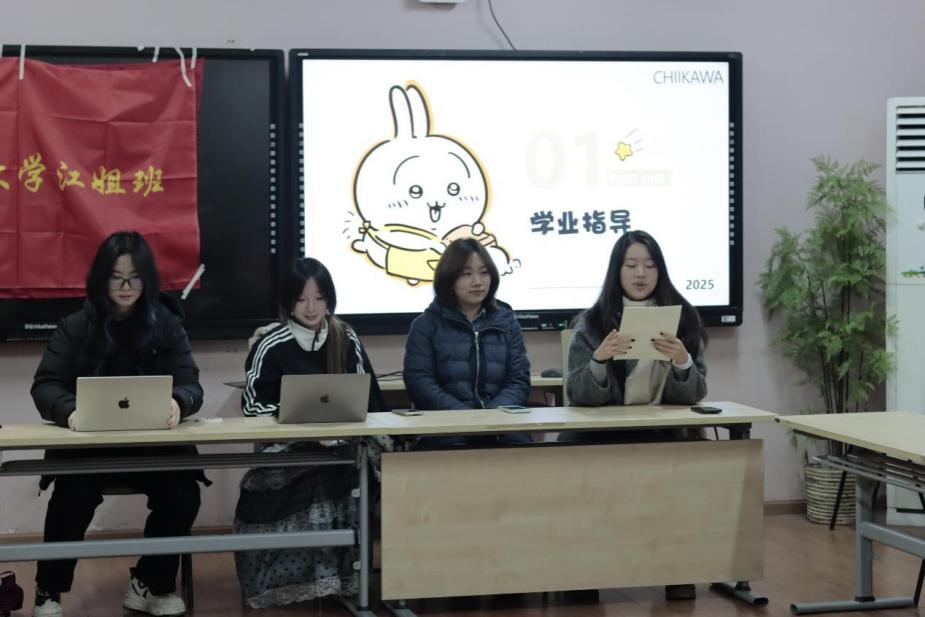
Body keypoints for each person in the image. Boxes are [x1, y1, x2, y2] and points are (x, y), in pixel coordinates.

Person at [30, 231, 204, 617]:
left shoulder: (166, 324)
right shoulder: (76, 326)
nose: (126, 287)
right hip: (89, 448)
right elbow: (45, 385)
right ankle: (48, 590)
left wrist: (179, 402)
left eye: (135, 277)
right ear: (100, 279)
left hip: (152, 447)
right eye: (116, 277)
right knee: (70, 498)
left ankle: (152, 583)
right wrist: (69, 411)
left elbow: (191, 384)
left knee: (182, 493)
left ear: (148, 279)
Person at [234, 257, 389, 609]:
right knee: (306, 474)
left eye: (319, 298)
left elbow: (369, 399)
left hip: (343, 443)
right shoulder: (271, 344)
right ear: (288, 302)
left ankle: (345, 579)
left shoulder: (345, 337)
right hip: (290, 444)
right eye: (302, 299)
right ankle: (296, 582)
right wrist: (298, 425)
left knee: (361, 468)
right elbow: (253, 406)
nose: (311, 307)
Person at [565, 229, 707, 601]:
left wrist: (682, 361)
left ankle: (676, 570)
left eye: (649, 265)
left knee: (687, 469)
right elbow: (577, 394)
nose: (640, 274)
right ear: (617, 271)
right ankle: (584, 574)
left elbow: (695, 393)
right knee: (577, 468)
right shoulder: (593, 322)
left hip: (661, 432)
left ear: (661, 270)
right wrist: (599, 359)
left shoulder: (684, 318)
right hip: (600, 434)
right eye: (631, 265)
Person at [403, 238, 531, 447]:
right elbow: (420, 382)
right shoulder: (426, 325)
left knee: (525, 451)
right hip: (447, 426)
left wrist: (492, 418)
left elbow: (518, 380)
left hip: (501, 424)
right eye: (466, 274)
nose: (477, 282)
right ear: (449, 278)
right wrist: (466, 418)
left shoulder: (507, 322)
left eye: (484, 272)